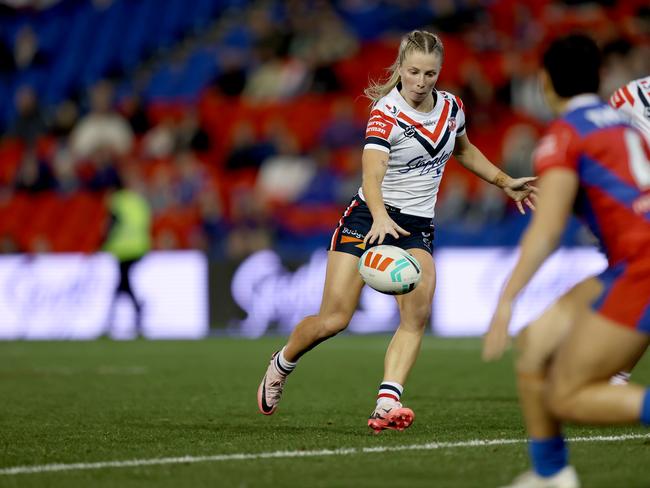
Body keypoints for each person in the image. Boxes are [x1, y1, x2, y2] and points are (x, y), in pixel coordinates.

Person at [257, 29, 536, 433]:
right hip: (368, 218)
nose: (421, 82)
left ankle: (387, 403)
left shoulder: (452, 107)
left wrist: (503, 180)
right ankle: (282, 363)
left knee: (417, 315)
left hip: (417, 225)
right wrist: (380, 216)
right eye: (414, 72)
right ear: (400, 68)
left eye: (430, 74)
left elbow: (464, 149)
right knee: (334, 319)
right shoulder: (385, 113)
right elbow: (372, 175)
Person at [483, 35, 650, 488]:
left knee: (568, 396)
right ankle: (552, 476)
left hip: (642, 265)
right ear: (599, 77)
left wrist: (506, 297)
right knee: (536, 345)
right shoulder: (624, 124)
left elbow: (547, 229)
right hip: (629, 263)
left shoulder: (565, 134)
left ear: (544, 83)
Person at [102, 169, 152, 337]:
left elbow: (112, 224)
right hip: (140, 247)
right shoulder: (138, 201)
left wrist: (102, 243)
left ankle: (115, 319)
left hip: (123, 249)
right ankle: (120, 317)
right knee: (123, 284)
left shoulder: (116, 201)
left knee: (123, 284)